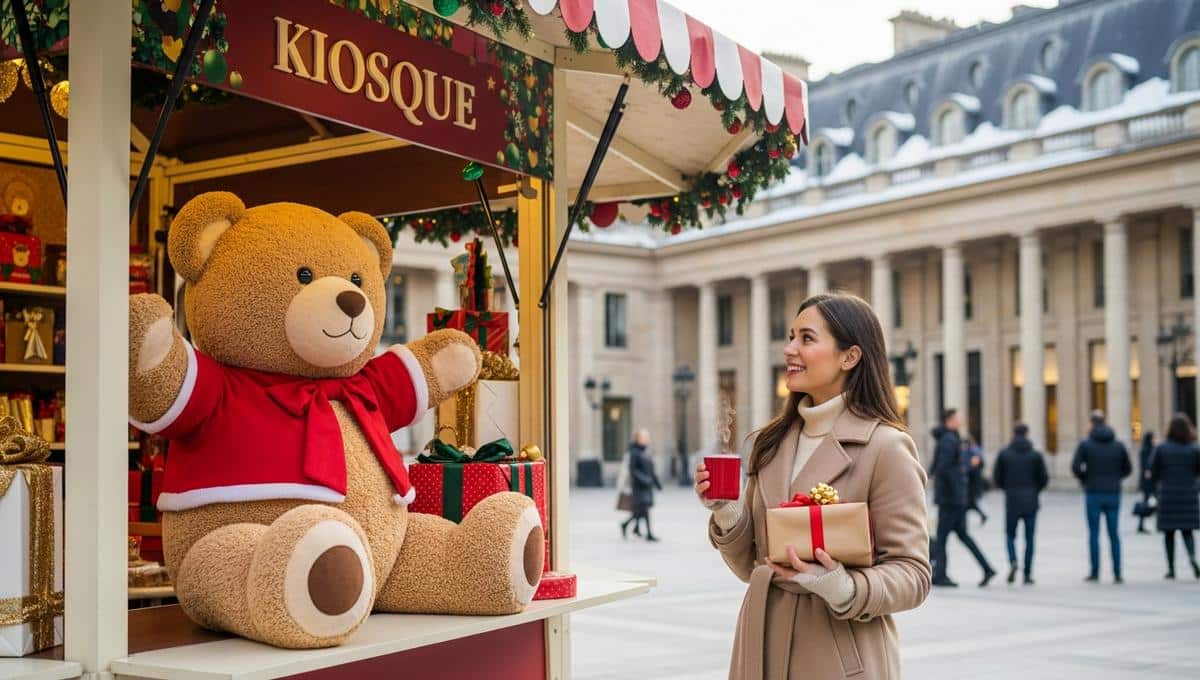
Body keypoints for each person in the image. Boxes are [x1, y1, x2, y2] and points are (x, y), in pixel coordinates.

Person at [695, 292, 930, 679]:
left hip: (838, 655)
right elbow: (750, 565)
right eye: (791, 337)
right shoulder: (770, 443)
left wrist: (842, 587)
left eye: (806, 338)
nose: (789, 349)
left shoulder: (886, 447)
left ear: (849, 357)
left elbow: (913, 574)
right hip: (761, 644)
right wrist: (727, 509)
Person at [930, 409, 997, 588]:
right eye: (958, 418)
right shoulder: (949, 440)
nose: (961, 420)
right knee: (959, 536)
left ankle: (941, 575)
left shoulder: (949, 439)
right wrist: (957, 492)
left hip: (952, 498)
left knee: (944, 537)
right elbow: (943, 468)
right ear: (950, 420)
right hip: (952, 498)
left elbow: (940, 467)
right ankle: (986, 569)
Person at [1071, 410, 1132, 584]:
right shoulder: (1118, 445)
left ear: (1091, 423)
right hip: (1113, 492)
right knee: (1114, 533)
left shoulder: (1086, 444)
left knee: (1094, 533)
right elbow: (1128, 469)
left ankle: (1095, 571)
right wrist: (1116, 478)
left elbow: (1075, 466)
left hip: (1094, 491)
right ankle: (1117, 572)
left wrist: (1085, 478)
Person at [992, 423, 1049, 585]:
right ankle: (1028, 573)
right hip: (1031, 501)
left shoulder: (1004, 454)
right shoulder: (1035, 455)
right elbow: (1044, 478)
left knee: (1010, 535)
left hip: (1012, 500)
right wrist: (1034, 490)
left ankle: (1013, 560)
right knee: (1029, 538)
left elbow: (997, 478)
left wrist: (1008, 488)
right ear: (1027, 434)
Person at [1150, 414, 1200, 580]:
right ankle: (1192, 557)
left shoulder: (1162, 448)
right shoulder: (1193, 448)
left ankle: (1171, 568)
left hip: (1168, 494)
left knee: (1169, 534)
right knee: (1187, 531)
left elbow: (1153, 471)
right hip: (1188, 494)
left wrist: (1156, 487)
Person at [624, 429, 662, 542]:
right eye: (644, 437)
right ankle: (648, 533)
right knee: (643, 510)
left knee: (641, 510)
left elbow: (651, 470)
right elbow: (633, 469)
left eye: (647, 437)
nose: (647, 439)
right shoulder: (634, 452)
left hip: (647, 486)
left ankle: (628, 526)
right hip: (639, 486)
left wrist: (657, 483)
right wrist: (645, 480)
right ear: (638, 439)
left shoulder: (646, 451)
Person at [963, 437, 989, 526]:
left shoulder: (969, 453)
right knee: (969, 504)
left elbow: (970, 469)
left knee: (967, 504)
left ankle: (962, 523)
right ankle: (982, 516)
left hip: (970, 484)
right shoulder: (973, 453)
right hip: (972, 484)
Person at [1137, 432, 1157, 534]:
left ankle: (1143, 524)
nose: (1155, 440)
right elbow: (1145, 466)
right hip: (1148, 482)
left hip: (1152, 481)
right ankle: (1141, 524)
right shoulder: (1146, 451)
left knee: (1151, 502)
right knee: (1147, 503)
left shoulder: (1154, 450)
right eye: (1153, 438)